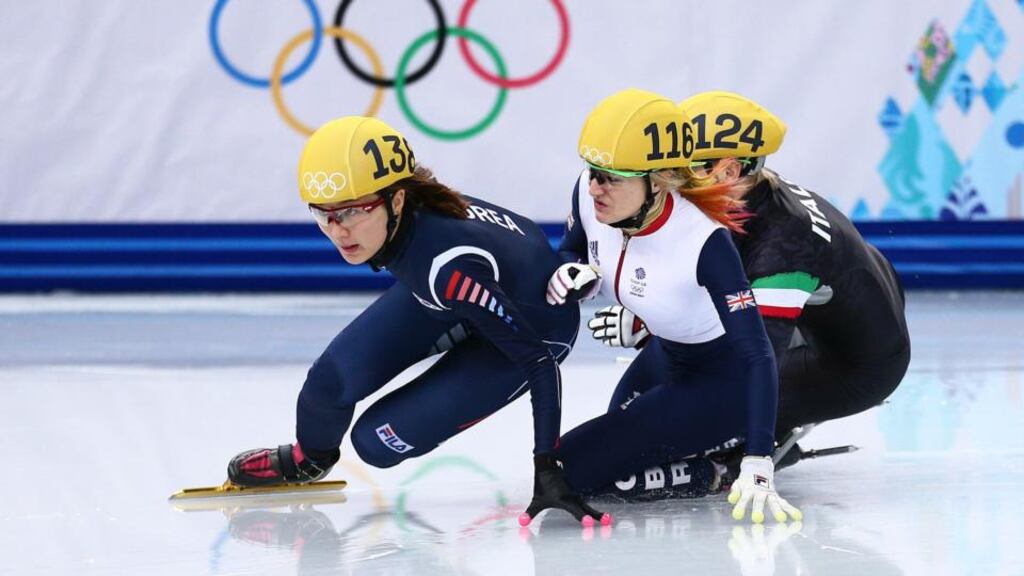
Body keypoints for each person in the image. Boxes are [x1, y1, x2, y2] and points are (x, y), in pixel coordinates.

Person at [226, 116, 608, 527]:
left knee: (375, 442)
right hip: (473, 295)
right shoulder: (416, 217)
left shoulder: (443, 267)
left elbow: (538, 363)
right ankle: (309, 459)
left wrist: (547, 468)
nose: (339, 231)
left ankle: (469, 330)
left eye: (353, 211)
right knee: (328, 385)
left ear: (398, 200)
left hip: (536, 328)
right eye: (325, 215)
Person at [591, 91, 910, 494]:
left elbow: (745, 364)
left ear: (726, 171)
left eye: (682, 170)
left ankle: (723, 465)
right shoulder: (749, 191)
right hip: (853, 300)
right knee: (630, 416)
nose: (667, 180)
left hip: (856, 365)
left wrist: (649, 323)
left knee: (712, 404)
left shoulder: (781, 247)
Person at [546, 88, 801, 524]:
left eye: (611, 177)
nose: (593, 188)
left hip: (722, 382)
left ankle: (724, 468)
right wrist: (571, 273)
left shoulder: (703, 242)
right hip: (668, 354)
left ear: (659, 179)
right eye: (592, 171)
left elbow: (757, 354)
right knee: (590, 453)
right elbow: (571, 250)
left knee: (567, 472)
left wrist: (758, 461)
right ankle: (714, 446)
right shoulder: (591, 201)